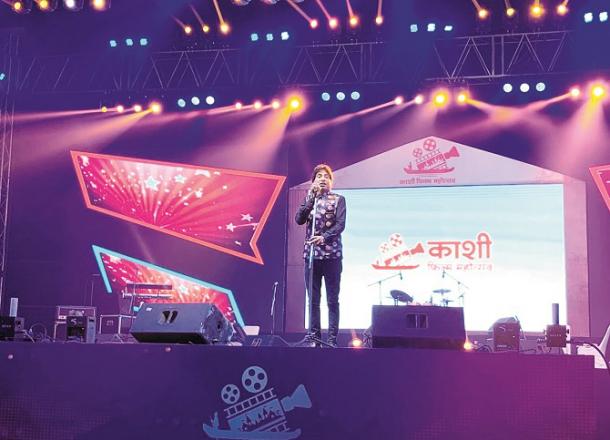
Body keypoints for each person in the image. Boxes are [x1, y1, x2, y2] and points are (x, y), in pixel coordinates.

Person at [295, 164, 346, 347]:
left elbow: (340, 225)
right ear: (314, 181)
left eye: (326, 176)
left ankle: (332, 340)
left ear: (331, 181)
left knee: (332, 300)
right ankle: (315, 338)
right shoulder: (309, 199)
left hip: (332, 257)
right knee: (313, 300)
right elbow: (299, 219)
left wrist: (323, 237)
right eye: (319, 176)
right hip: (311, 257)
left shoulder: (338, 199)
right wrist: (310, 199)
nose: (323, 178)